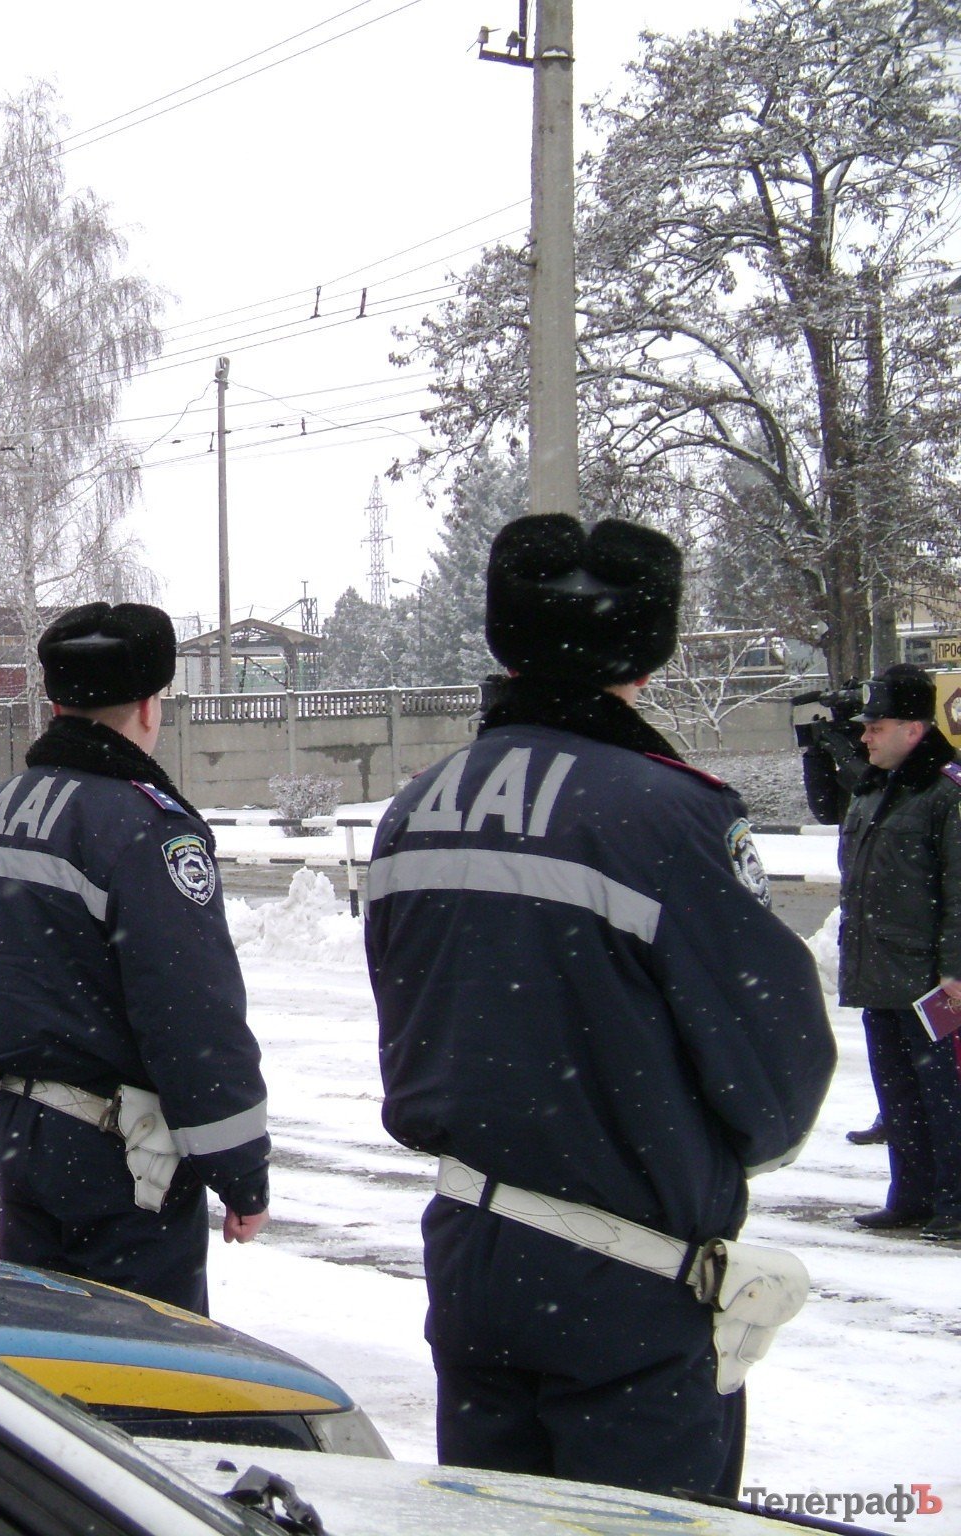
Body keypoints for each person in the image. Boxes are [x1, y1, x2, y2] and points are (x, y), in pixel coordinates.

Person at [365, 513, 834, 1499]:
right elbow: (774, 1078)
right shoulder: (666, 812)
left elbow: (414, 1009)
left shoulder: (419, 804)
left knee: (494, 1520)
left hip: (469, 1255)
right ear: (645, 659)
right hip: (625, 1284)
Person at [0, 602, 270, 1314]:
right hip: (126, 1163)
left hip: (26, 1149)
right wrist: (239, 1166)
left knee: (46, 1375)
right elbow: (191, 1012)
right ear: (151, 707)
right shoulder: (146, 828)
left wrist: (10, 1110)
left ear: (56, 702)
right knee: (148, 1380)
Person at [836, 663, 961, 1240]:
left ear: (913, 728)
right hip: (881, 973)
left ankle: (954, 1204)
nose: (865, 736)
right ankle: (910, 1197)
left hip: (931, 984)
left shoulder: (945, 792)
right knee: (900, 1100)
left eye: (875, 726)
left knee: (946, 1099)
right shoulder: (872, 789)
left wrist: (956, 971)